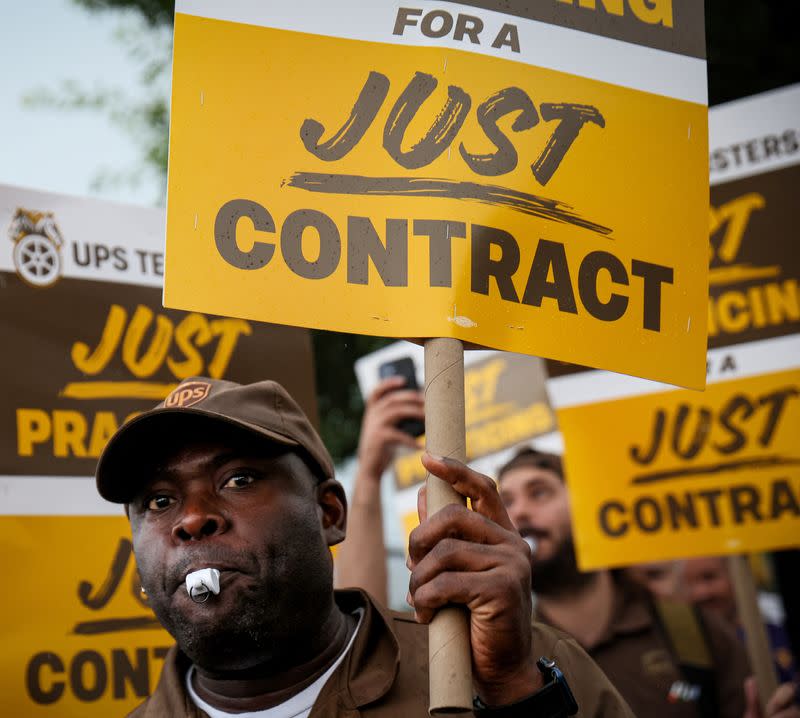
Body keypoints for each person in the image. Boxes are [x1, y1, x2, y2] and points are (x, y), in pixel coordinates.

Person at [95, 376, 636, 717]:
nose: (191, 519)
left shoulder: (522, 668)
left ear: (329, 513)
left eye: (238, 479)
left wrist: (516, 696)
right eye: (159, 502)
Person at [497, 448, 800, 718]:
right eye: (506, 501)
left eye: (539, 493)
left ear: (589, 508)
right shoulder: (508, 654)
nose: (519, 512)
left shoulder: (692, 631)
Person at [683, 556, 798, 685]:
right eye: (686, 583)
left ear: (735, 575)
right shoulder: (681, 655)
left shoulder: (778, 633)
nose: (702, 593)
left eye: (709, 577)